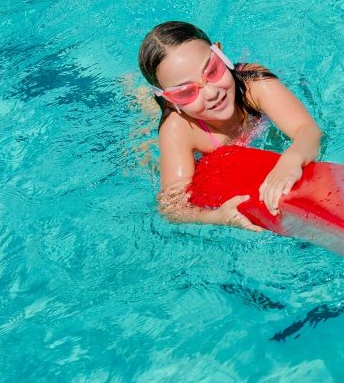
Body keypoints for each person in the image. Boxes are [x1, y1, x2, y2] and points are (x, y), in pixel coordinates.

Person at [137, 21, 322, 231]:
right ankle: (137, 94)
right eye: (186, 92)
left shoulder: (253, 84)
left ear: (221, 54)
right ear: (171, 100)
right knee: (142, 148)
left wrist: (291, 159)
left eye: (212, 70)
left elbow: (308, 130)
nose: (212, 93)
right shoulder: (179, 130)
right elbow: (171, 207)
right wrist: (215, 217)